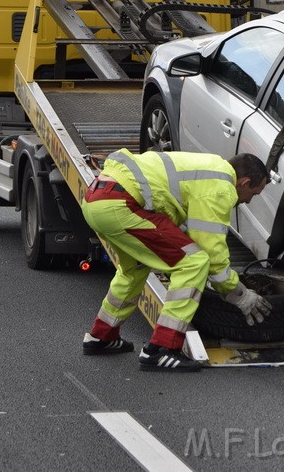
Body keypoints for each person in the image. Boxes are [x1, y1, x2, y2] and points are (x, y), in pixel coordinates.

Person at [81, 150, 273, 372]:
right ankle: (160, 349)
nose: (248, 201)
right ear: (244, 182)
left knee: (134, 270)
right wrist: (238, 294)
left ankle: (101, 336)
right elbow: (210, 251)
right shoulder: (221, 187)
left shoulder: (209, 167)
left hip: (97, 199)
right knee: (195, 262)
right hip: (122, 205)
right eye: (253, 194)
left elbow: (183, 229)